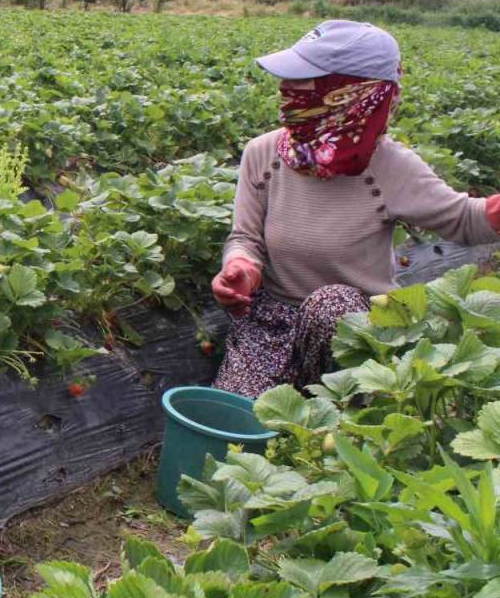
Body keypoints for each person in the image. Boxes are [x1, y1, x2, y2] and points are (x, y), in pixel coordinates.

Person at [211, 20, 500, 398]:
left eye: (304, 81)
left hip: (356, 328)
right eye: (288, 80)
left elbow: (465, 219)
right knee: (238, 421)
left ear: (352, 94)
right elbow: (245, 237)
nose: (287, 91)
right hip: (272, 322)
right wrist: (241, 267)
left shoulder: (390, 167)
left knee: (329, 305)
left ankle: (336, 408)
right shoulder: (263, 154)